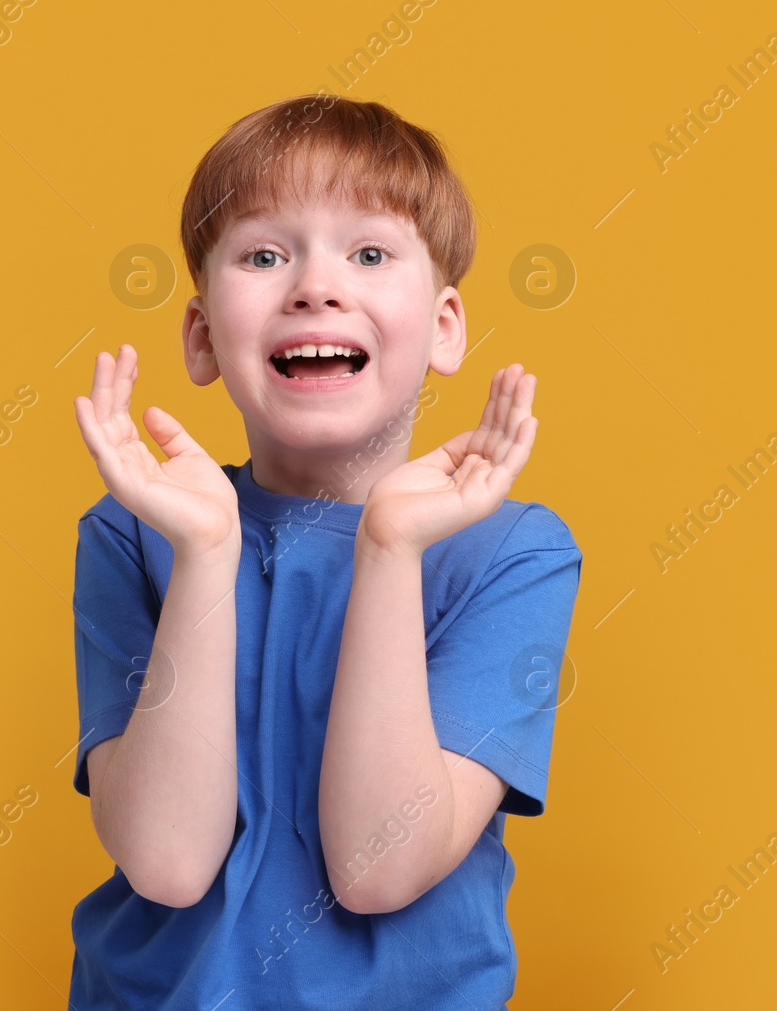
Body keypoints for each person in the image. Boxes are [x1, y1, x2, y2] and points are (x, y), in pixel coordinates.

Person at [67, 95, 583, 1009]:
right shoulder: (134, 534)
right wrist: (207, 552)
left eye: (371, 253)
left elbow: (377, 869)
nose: (315, 284)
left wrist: (389, 546)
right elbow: (169, 862)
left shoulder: (513, 553)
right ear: (202, 338)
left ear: (445, 326)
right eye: (265, 255)